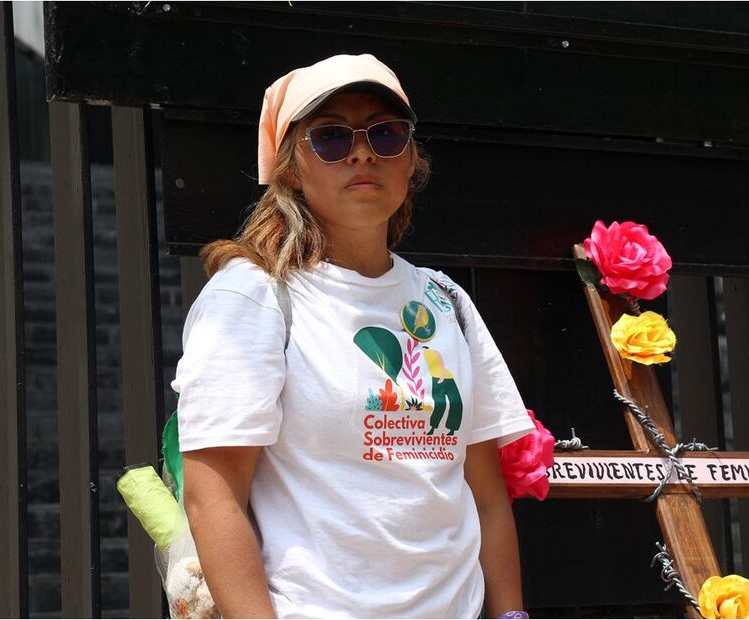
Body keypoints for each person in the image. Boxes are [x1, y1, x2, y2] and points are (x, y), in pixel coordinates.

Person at [171, 53, 536, 619]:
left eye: (386, 134)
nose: (363, 152)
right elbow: (213, 495)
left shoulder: (447, 301)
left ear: (412, 159)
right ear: (291, 167)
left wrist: (511, 614)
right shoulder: (254, 295)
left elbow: (484, 496)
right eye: (332, 138)